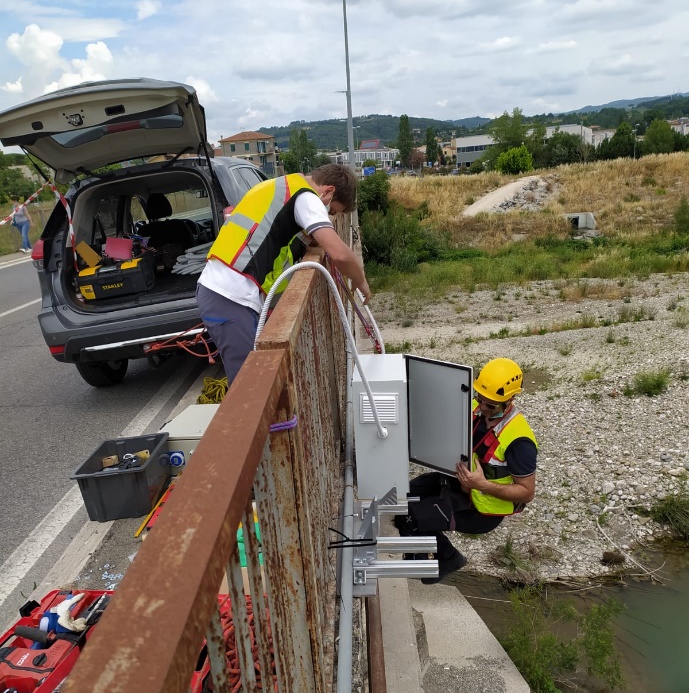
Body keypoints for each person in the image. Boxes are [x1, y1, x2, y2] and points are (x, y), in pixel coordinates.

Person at [197, 164, 371, 384]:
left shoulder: (279, 185)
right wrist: (361, 281)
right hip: (230, 296)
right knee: (251, 386)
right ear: (327, 191)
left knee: (254, 380)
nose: (328, 214)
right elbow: (341, 255)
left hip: (223, 291)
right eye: (331, 210)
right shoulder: (307, 198)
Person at [394, 358, 538, 584]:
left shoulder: (519, 441)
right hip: (455, 482)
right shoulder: (474, 409)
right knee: (401, 498)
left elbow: (527, 492)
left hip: (479, 509)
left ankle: (448, 558)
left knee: (413, 516)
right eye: (480, 399)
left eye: (490, 405)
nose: (481, 407)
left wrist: (481, 484)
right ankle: (418, 557)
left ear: (510, 400)